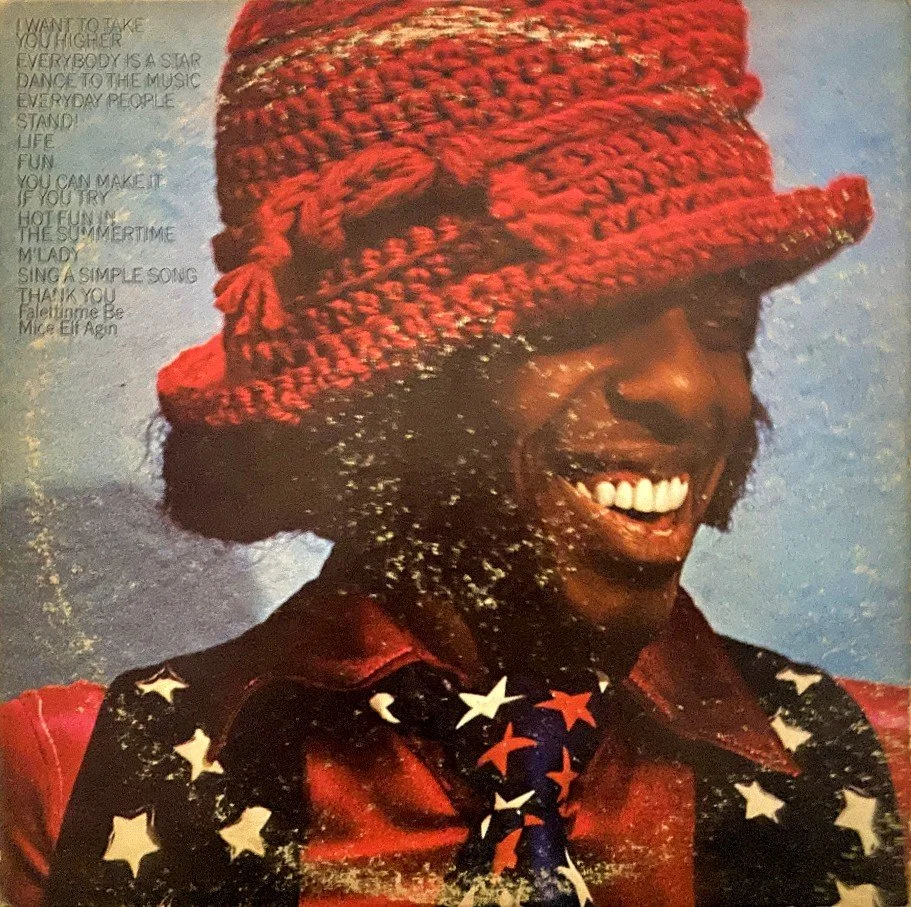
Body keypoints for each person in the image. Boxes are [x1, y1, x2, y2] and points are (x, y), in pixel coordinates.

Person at [1, 0, 907, 905]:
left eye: (724, 317)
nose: (685, 386)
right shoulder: (78, 781)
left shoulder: (884, 778)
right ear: (379, 387)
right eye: (579, 312)